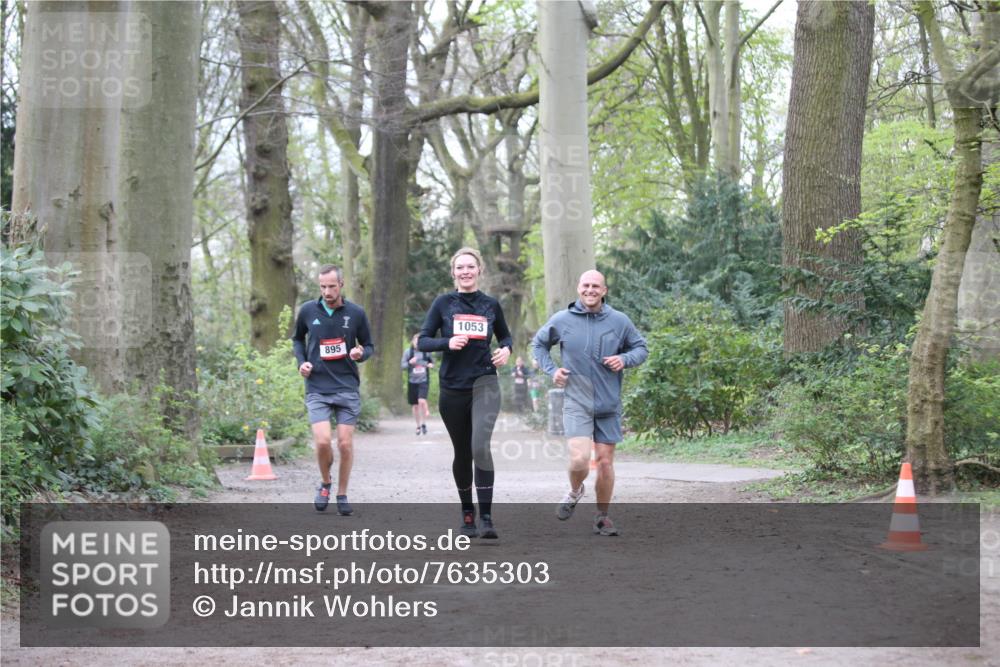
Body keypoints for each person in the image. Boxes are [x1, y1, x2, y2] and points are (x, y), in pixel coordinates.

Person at [531, 270, 647, 536]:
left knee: (605, 463)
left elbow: (641, 348)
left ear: (604, 290)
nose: (590, 290)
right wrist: (552, 371)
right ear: (578, 288)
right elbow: (538, 345)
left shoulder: (620, 321)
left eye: (596, 286)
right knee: (580, 459)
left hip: (608, 404)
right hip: (576, 401)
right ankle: (575, 491)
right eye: (586, 285)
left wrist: (624, 359)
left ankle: (602, 517)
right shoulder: (562, 320)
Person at [418, 247, 512, 539]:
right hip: (452, 387)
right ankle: (467, 512)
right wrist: (447, 342)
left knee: (480, 445)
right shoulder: (443, 303)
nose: (466, 272)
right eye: (460, 268)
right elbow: (422, 341)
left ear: (479, 270)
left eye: (471, 267)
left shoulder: (491, 305)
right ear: (454, 272)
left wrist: (506, 350)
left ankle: (486, 516)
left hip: (484, 383)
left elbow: (505, 335)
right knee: (462, 451)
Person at [292, 264, 374, 515]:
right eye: (322, 287)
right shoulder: (307, 310)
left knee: (345, 444)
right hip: (317, 386)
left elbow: (369, 345)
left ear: (341, 284)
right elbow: (297, 339)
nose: (327, 291)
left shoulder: (356, 313)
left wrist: (361, 353)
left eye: (331, 286)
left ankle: (342, 493)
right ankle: (326, 483)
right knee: (323, 442)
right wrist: (301, 363)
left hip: (347, 386)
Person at [401, 333, 433, 436]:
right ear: (412, 342)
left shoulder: (426, 352)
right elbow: (402, 366)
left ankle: (424, 423)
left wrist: (429, 365)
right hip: (412, 382)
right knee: (415, 406)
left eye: (419, 341)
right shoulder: (408, 352)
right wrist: (410, 362)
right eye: (415, 341)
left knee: (421, 401)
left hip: (423, 381)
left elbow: (431, 363)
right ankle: (418, 426)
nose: (417, 343)